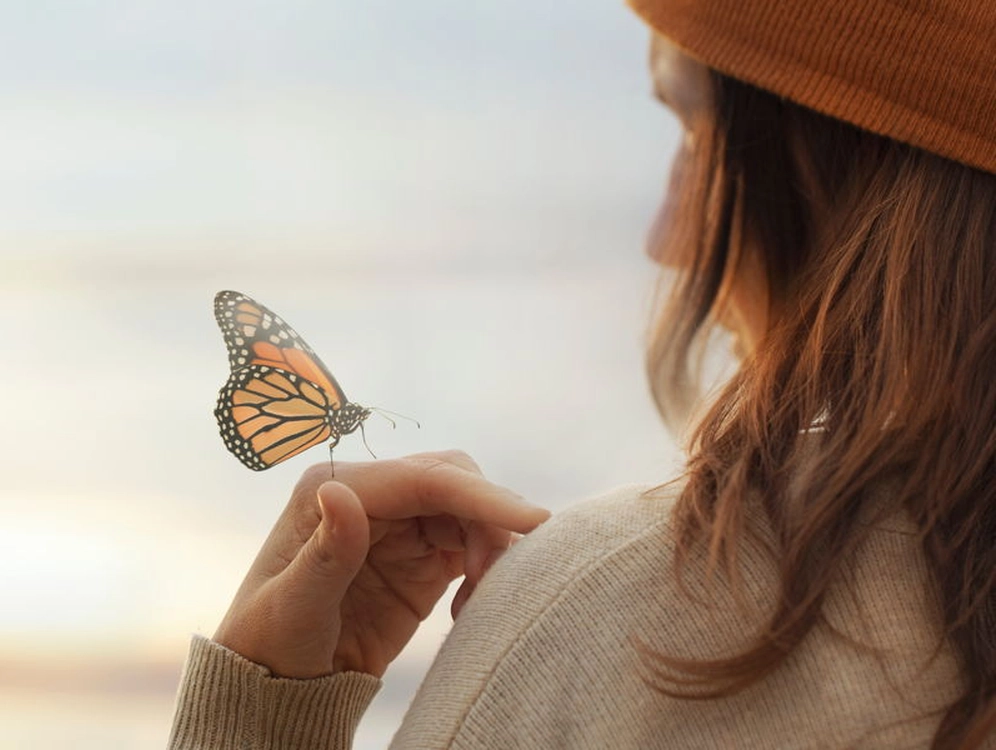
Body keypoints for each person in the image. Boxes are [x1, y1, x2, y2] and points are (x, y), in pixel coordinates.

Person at [170, 0, 996, 747]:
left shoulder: (623, 611)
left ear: (841, 171)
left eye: (697, 136)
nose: (664, 240)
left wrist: (258, 719)